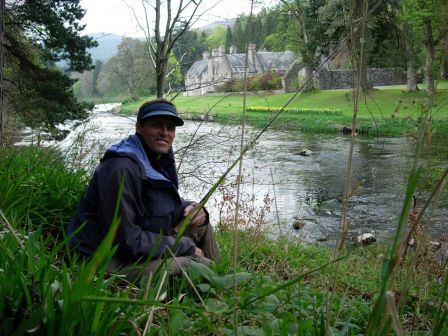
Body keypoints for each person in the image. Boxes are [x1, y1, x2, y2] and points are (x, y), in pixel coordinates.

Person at [67, 98, 221, 281]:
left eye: (170, 127)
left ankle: (222, 284)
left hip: (133, 248)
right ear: (139, 126)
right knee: (202, 266)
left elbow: (161, 202)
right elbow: (126, 241)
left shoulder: (156, 158)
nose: (165, 133)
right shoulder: (121, 168)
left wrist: (194, 209)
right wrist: (185, 247)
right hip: (106, 260)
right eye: (157, 125)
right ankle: (215, 289)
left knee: (201, 224)